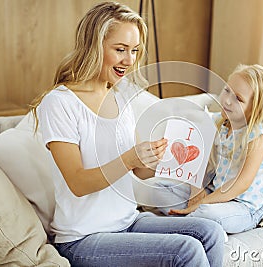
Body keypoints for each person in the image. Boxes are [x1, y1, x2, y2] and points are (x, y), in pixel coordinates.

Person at [29, 2, 225, 266]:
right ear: (93, 46)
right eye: (120, 49)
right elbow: (78, 183)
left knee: (210, 232)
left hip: (128, 221)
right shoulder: (60, 102)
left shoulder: (120, 96)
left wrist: (160, 156)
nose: (130, 60)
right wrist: (130, 159)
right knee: (185, 251)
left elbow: (138, 171)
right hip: (83, 238)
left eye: (134, 51)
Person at [152, 63, 263, 234]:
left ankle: (192, 225)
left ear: (256, 108)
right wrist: (197, 192)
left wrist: (201, 203)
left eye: (238, 98)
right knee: (158, 189)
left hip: (243, 207)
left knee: (206, 212)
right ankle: (198, 226)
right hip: (215, 195)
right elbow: (196, 158)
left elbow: (241, 184)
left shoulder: (259, 134)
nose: (227, 100)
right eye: (226, 90)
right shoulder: (220, 123)